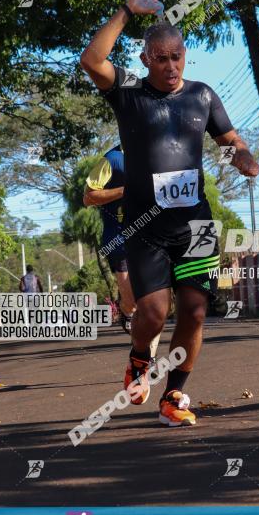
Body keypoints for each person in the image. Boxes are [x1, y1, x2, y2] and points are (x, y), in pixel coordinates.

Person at [80, 0, 259, 426]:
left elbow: (229, 138)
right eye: (161, 58)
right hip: (145, 226)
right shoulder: (128, 93)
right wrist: (125, 10)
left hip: (195, 221)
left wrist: (242, 155)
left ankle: (174, 393)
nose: (171, 66)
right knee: (155, 312)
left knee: (196, 310)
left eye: (177, 56)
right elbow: (91, 60)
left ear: (185, 56)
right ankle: (139, 361)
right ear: (145, 61)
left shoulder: (202, 95)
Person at [84, 145, 161, 360]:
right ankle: (126, 311)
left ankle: (148, 357)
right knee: (133, 301)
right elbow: (88, 197)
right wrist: (125, 190)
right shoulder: (112, 160)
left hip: (150, 237)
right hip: (119, 239)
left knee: (153, 301)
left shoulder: (155, 153)